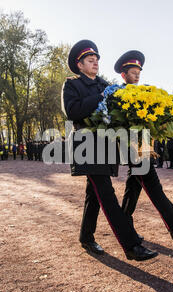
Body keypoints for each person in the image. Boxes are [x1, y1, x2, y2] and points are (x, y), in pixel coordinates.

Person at [63, 40, 158, 261]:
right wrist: (100, 97)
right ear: (80, 65)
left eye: (96, 59)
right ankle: (131, 246)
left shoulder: (105, 84)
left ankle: (86, 237)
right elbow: (72, 111)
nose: (95, 62)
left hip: (106, 144)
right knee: (106, 195)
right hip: (87, 147)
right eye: (90, 60)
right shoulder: (72, 85)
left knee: (93, 195)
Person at [115, 50, 173, 245]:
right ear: (123, 75)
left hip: (145, 146)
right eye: (132, 71)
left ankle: (124, 225)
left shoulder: (146, 93)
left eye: (139, 71)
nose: (137, 75)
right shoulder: (117, 95)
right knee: (154, 186)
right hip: (131, 148)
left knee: (133, 187)